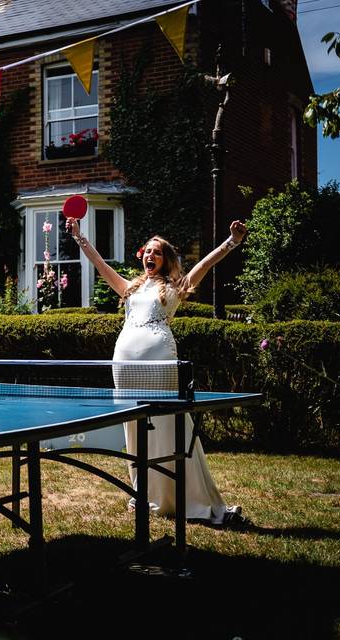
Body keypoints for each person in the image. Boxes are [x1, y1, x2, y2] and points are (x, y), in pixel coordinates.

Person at [65, 215, 248, 526]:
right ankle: (146, 494)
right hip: (124, 366)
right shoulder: (128, 288)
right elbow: (98, 263)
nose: (151, 256)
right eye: (148, 251)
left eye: (158, 252)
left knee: (168, 424)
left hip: (160, 363)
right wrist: (79, 236)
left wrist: (231, 243)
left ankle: (189, 498)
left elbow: (203, 266)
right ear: (143, 256)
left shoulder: (176, 286)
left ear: (165, 260)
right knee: (134, 428)